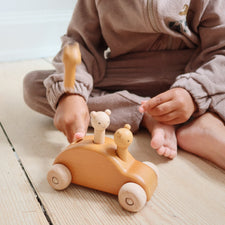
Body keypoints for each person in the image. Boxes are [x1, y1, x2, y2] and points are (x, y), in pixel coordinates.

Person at [23, 0, 225, 169]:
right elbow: (79, 44)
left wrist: (192, 93)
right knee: (36, 86)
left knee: (218, 78)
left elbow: (220, 50)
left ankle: (201, 122)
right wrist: (70, 93)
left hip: (193, 71)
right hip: (129, 72)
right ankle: (147, 114)